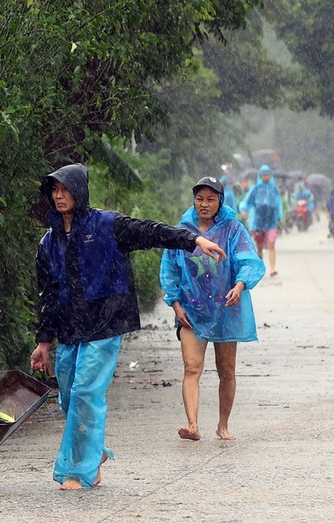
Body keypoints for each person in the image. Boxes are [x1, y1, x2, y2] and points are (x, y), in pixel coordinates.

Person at [30, 164, 226, 491]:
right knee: (68, 398)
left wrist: (192, 240)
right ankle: (97, 451)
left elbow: (152, 231)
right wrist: (44, 341)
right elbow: (47, 295)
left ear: (78, 191)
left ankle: (81, 471)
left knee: (85, 393)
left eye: (64, 189)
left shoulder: (108, 225)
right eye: (54, 190)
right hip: (70, 328)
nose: (59, 195)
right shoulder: (48, 243)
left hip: (106, 321)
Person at [159, 177, 265, 442]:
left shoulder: (233, 230)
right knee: (191, 367)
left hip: (226, 310)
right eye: (199, 198)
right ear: (193, 200)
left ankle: (223, 425)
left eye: (210, 199)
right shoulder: (183, 231)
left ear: (220, 201)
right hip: (191, 312)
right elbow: (169, 269)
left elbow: (249, 261)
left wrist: (240, 286)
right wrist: (175, 303)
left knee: (226, 370)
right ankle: (193, 425)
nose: (204, 204)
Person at [239, 165, 282, 276]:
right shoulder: (255, 189)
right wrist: (243, 210)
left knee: (271, 244)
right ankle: (260, 268)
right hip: (258, 222)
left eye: (268, 175)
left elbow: (278, 204)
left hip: (272, 221)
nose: (266, 177)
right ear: (260, 176)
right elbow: (247, 201)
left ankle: (272, 269)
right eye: (264, 175)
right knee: (259, 247)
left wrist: (280, 217)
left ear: (271, 176)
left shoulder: (274, 189)